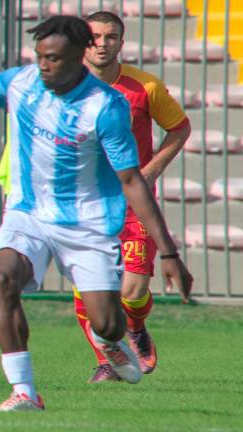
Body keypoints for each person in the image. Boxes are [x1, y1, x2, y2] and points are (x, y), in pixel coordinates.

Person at [0, 12, 193, 411]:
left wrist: (169, 252)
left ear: (79, 56)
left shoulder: (105, 106)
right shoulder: (22, 82)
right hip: (29, 214)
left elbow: (131, 181)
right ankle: (24, 391)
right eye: (40, 55)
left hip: (87, 225)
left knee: (108, 322)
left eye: (53, 58)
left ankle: (111, 340)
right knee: (4, 275)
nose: (43, 65)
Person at [74, 11, 192, 382]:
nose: (102, 43)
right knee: (89, 291)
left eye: (111, 37)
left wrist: (153, 168)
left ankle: (136, 327)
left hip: (133, 203)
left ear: (121, 44)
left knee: (133, 290)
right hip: (83, 204)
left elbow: (179, 127)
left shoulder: (145, 88)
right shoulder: (64, 89)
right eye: (95, 36)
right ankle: (109, 362)